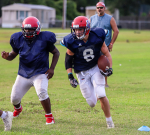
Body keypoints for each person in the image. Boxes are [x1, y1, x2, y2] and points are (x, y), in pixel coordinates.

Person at [1, 16, 60, 125]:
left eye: (31, 29)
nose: (28, 32)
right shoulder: (17, 39)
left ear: (37, 29)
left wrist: (52, 68)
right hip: (24, 73)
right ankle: (18, 109)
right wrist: (7, 56)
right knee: (14, 98)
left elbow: (56, 52)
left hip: (40, 72)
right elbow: (13, 55)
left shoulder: (45, 38)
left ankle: (49, 116)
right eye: (26, 29)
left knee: (42, 92)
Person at [60, 16, 114, 128]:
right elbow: (68, 58)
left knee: (102, 94)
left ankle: (109, 122)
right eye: (75, 29)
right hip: (81, 72)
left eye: (80, 29)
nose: (77, 32)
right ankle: (96, 90)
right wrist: (70, 76)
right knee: (92, 103)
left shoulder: (97, 35)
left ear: (88, 29)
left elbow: (107, 53)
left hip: (95, 67)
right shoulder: (71, 40)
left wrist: (109, 68)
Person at [90, 2, 119, 87]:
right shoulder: (91, 18)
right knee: (93, 64)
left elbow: (116, 31)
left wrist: (111, 43)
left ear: (104, 8)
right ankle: (93, 81)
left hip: (105, 45)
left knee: (104, 63)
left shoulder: (110, 18)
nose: (99, 9)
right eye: (98, 7)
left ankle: (105, 83)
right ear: (96, 8)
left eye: (101, 8)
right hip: (94, 45)